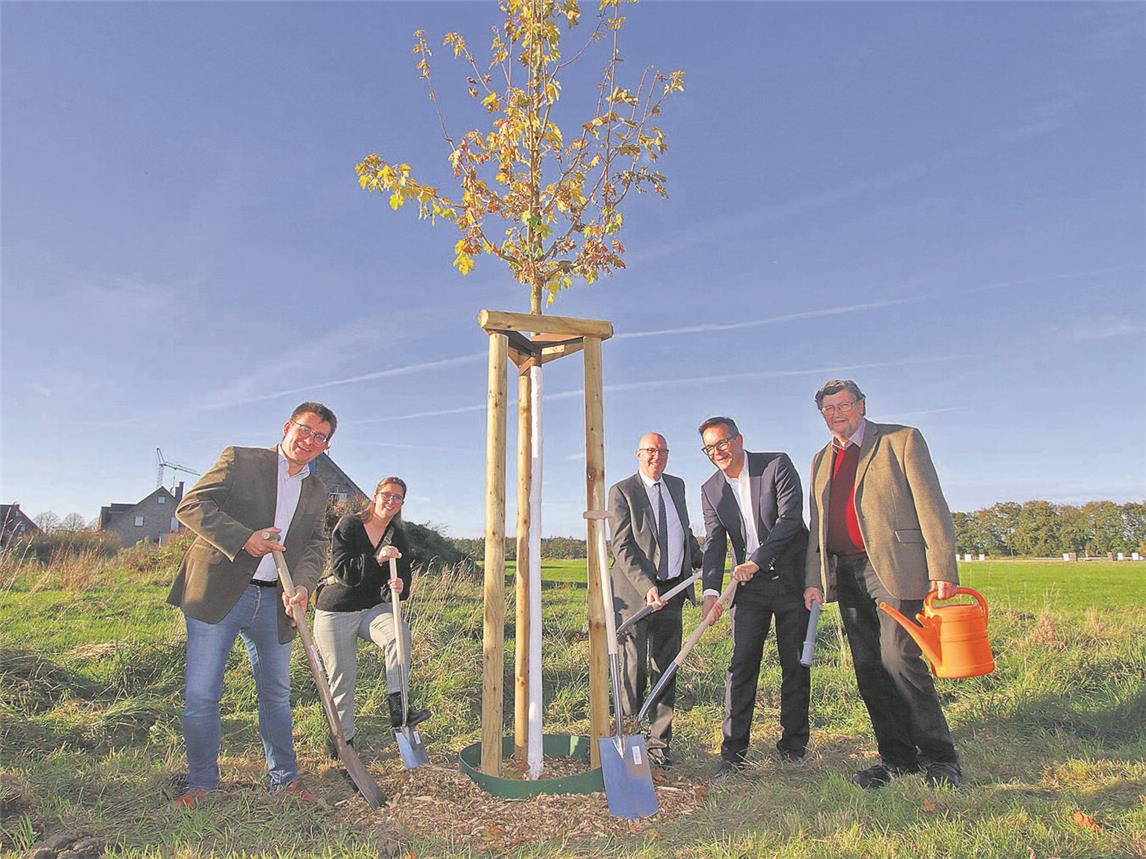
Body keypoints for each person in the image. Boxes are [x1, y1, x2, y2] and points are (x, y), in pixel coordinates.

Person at [167, 402, 337, 807]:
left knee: (276, 694)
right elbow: (191, 506)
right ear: (287, 427)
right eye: (305, 430)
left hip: (276, 600)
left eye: (320, 437)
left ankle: (284, 779)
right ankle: (201, 785)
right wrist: (244, 537)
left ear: (326, 446)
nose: (309, 441)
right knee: (203, 695)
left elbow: (316, 544)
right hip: (220, 593)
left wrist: (303, 586)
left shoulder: (316, 489)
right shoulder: (240, 459)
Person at [803, 379, 962, 788]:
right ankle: (897, 759)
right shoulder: (821, 459)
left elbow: (932, 503)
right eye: (828, 409)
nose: (836, 414)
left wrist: (941, 566)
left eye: (844, 406)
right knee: (869, 667)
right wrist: (814, 580)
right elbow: (816, 527)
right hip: (847, 572)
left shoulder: (900, 440)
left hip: (894, 567)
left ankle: (940, 757)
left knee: (899, 659)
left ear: (861, 405)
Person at [698, 416, 810, 777]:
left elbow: (790, 520)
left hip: (791, 581)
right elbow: (715, 543)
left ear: (739, 439)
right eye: (710, 448)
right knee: (741, 665)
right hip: (750, 590)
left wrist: (757, 560)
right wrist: (711, 593)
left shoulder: (777, 464)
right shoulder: (710, 489)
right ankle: (733, 753)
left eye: (723, 443)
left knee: (794, 664)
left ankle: (793, 745)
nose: (718, 452)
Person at [606, 432, 703, 769]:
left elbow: (683, 532)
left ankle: (659, 744)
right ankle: (629, 740)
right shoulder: (622, 491)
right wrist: (647, 586)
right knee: (633, 669)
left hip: (673, 591)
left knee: (667, 667)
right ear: (637, 454)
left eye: (662, 451)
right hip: (637, 596)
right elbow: (621, 547)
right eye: (650, 451)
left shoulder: (676, 486)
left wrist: (702, 562)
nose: (656, 456)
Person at [313, 476, 430, 749]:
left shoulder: (397, 535)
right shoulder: (350, 525)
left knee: (398, 635)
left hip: (371, 608)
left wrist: (398, 587)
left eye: (397, 498)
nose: (391, 501)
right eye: (387, 495)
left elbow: (402, 581)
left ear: (402, 503)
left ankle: (399, 710)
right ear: (375, 496)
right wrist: (376, 559)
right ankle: (344, 744)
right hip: (336, 610)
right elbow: (343, 572)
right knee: (343, 678)